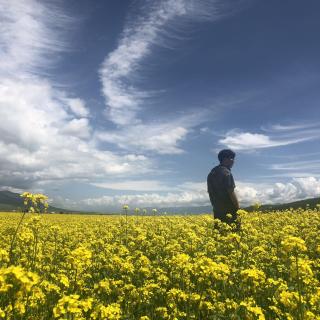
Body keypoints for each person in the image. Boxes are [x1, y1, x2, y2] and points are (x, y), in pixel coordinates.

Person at [207, 149, 240, 225]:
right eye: (232, 158)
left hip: (217, 211)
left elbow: (210, 192)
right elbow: (231, 192)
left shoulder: (211, 173)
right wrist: (238, 209)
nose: (233, 161)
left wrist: (216, 207)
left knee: (219, 234)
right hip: (230, 212)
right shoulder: (226, 172)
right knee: (233, 234)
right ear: (225, 159)